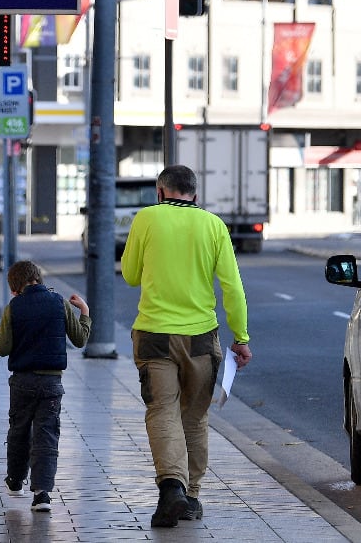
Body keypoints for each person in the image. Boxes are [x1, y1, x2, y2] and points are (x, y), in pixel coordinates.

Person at [121, 164, 252, 528]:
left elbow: (130, 275)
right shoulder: (214, 226)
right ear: (195, 194)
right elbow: (233, 289)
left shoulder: (146, 219)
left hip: (154, 336)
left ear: (160, 192)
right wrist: (241, 338)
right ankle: (190, 496)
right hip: (200, 338)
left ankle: (170, 490)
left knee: (162, 410)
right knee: (194, 418)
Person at [0, 260, 91, 513]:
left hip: (22, 382)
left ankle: (16, 481)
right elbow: (80, 338)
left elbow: (3, 348)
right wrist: (84, 311)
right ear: (38, 279)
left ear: (15, 287)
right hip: (52, 383)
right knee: (47, 435)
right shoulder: (59, 302)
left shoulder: (14, 307)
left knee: (19, 431)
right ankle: (42, 494)